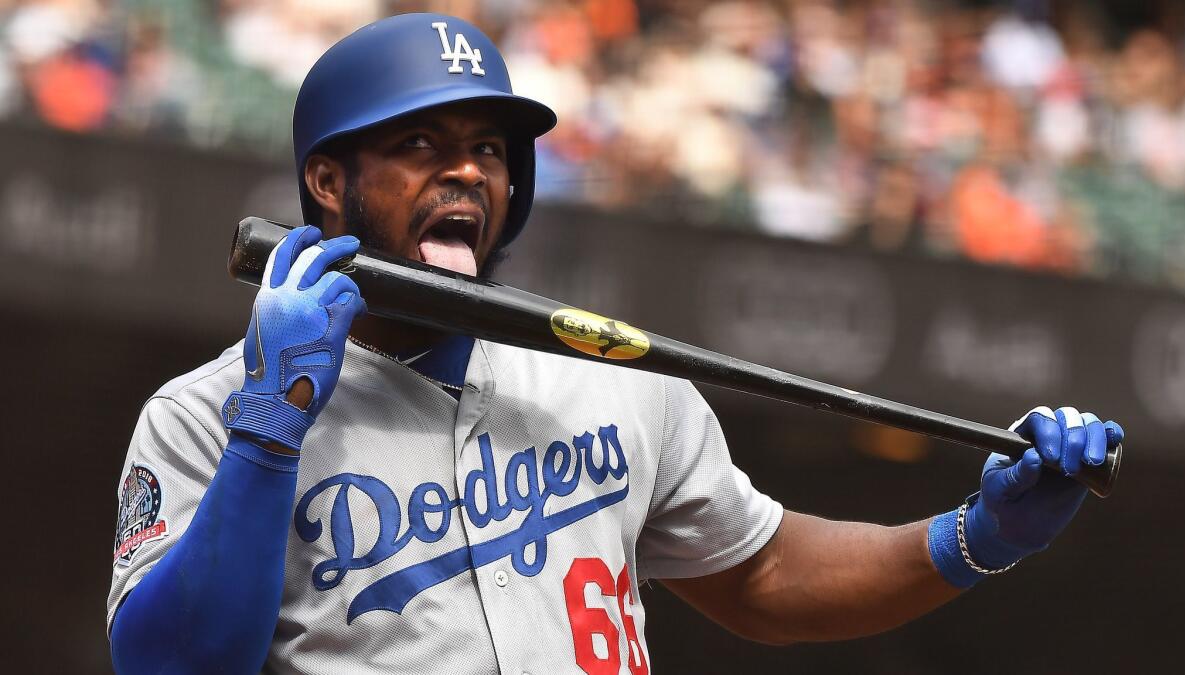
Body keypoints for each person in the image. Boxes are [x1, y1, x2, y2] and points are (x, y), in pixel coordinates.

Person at [107, 13, 1124, 675]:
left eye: (490, 150)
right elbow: (174, 668)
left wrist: (975, 537)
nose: (467, 173)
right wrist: (269, 430)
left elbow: (761, 576)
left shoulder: (616, 377)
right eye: (422, 145)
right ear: (329, 183)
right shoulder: (205, 416)